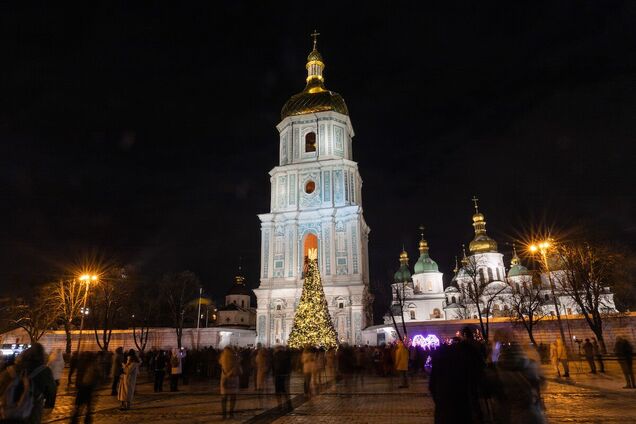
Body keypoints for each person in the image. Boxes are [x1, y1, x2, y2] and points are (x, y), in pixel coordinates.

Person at [0, 343, 57, 424]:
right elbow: (52, 389)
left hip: (8, 411)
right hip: (33, 410)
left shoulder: (12, 369)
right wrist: (49, 405)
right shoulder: (45, 370)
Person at [71, 352, 102, 424]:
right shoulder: (94, 365)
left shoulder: (82, 364)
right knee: (88, 408)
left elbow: (78, 377)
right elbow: (99, 376)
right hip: (88, 389)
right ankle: (86, 420)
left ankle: (75, 420)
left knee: (79, 407)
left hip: (82, 388)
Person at [219, 347, 240, 420]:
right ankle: (231, 413)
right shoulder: (235, 357)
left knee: (224, 398)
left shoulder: (222, 356)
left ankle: (224, 414)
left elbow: (220, 363)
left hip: (225, 378)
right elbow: (238, 366)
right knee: (233, 397)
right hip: (233, 378)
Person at [272, 346, 292, 412]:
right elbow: (289, 366)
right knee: (285, 391)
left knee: (278, 392)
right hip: (284, 375)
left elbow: (273, 366)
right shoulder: (286, 356)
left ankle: (280, 405)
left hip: (277, 375)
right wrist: (288, 373)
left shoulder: (275, 356)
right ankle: (289, 404)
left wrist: (273, 374)